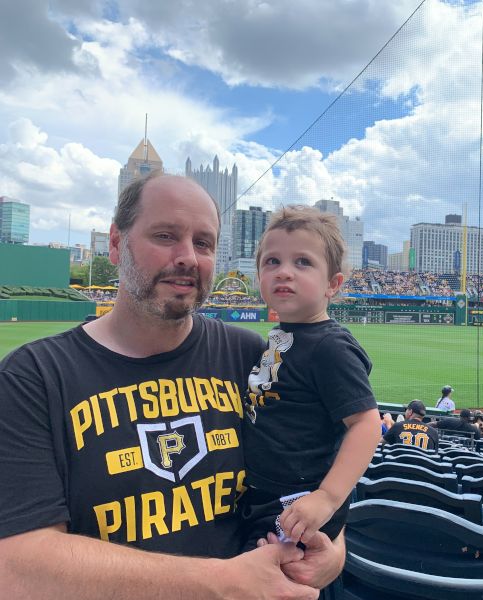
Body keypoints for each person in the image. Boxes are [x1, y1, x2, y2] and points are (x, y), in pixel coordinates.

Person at [0, 174, 342, 599]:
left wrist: (335, 550)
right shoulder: (32, 377)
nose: (187, 258)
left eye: (204, 243)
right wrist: (222, 583)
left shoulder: (248, 356)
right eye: (165, 236)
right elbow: (15, 568)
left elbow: (313, 459)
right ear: (115, 242)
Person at [243, 205, 381, 547]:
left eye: (302, 262)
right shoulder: (282, 336)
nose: (284, 272)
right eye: (271, 261)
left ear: (332, 284)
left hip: (299, 504)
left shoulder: (330, 346)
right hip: (263, 494)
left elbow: (366, 424)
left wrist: (327, 498)